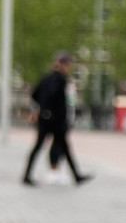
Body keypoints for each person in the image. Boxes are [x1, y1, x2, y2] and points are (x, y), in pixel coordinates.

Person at [23, 52, 92, 186]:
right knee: (64, 147)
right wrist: (56, 111)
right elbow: (54, 95)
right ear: (65, 65)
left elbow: (34, 94)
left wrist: (43, 107)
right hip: (55, 121)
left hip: (44, 118)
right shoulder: (60, 79)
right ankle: (76, 176)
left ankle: (27, 175)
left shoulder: (46, 77)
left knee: (40, 146)